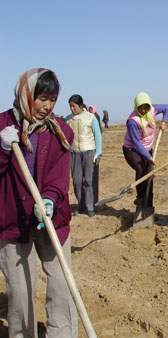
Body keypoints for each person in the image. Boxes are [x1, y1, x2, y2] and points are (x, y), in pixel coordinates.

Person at [0, 68, 77, 337]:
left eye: (52, 99)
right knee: (21, 290)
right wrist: (2, 149)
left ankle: (62, 333)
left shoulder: (60, 131)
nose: (47, 107)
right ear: (26, 94)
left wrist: (49, 200)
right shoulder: (2, 126)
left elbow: (58, 175)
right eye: (41, 98)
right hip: (13, 219)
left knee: (62, 284)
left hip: (51, 217)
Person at [122, 92, 168, 206]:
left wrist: (164, 121)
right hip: (132, 150)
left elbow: (167, 108)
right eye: (140, 108)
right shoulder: (132, 121)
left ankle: (148, 207)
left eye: (146, 107)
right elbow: (136, 143)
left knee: (149, 177)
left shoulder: (153, 109)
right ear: (136, 106)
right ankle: (140, 197)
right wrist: (149, 157)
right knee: (141, 170)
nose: (143, 110)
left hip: (147, 148)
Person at [66, 94, 102, 217]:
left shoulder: (91, 118)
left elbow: (97, 135)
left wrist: (98, 153)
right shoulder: (68, 119)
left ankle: (90, 206)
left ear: (81, 105)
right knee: (76, 181)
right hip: (74, 153)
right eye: (70, 106)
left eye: (74, 106)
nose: (72, 109)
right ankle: (81, 205)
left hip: (89, 151)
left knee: (89, 180)